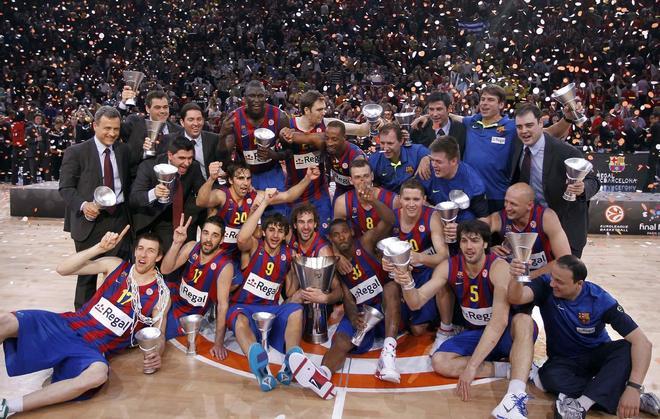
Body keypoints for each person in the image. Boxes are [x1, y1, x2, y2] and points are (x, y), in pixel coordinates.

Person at [0, 228, 170, 417]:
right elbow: (62, 269)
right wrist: (98, 248)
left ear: (159, 257)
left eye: (150, 250)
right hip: (69, 324)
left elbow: (159, 333)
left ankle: (8, 406)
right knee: (6, 320)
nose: (143, 254)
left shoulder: (161, 293)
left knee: (97, 375)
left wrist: (156, 353)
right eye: (140, 248)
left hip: (94, 346)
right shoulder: (115, 265)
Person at [393, 219, 537, 419]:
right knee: (440, 362)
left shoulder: (498, 267)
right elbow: (415, 302)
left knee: (524, 320)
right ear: (459, 243)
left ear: (485, 244)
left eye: (475, 241)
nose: (469, 247)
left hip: (503, 333)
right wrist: (406, 283)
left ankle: (516, 396)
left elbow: (499, 322)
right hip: (476, 333)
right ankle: (512, 368)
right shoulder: (448, 266)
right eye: (465, 241)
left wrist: (471, 367)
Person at [508, 255, 660, 418]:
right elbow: (516, 297)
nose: (553, 284)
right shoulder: (546, 286)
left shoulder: (600, 299)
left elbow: (643, 343)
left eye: (559, 282)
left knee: (627, 348)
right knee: (547, 379)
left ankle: (580, 405)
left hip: (597, 356)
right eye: (553, 277)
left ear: (579, 283)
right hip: (563, 361)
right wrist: (518, 277)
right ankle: (628, 397)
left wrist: (633, 388)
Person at [289, 183, 401, 399]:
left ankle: (388, 356)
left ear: (351, 232)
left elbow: (389, 221)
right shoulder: (336, 266)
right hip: (363, 311)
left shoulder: (365, 243)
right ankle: (321, 375)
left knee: (391, 286)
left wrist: (373, 201)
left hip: (388, 309)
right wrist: (352, 316)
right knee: (340, 340)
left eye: (344, 233)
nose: (341, 238)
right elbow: (347, 295)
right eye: (336, 236)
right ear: (331, 239)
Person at [227, 189, 306, 392]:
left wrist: (297, 269)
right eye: (271, 229)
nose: (275, 234)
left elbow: (289, 292)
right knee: (240, 320)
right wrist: (263, 204)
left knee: (296, 309)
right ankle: (260, 367)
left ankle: (291, 361)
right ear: (263, 231)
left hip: (271, 311)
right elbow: (241, 238)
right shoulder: (254, 246)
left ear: (285, 234)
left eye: (280, 231)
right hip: (244, 307)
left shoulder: (288, 255)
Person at [59, 106, 132, 309]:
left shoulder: (124, 151)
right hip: (88, 222)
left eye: (116, 129)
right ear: (94, 126)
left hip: (119, 220)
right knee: (86, 278)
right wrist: (84, 205)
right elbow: (65, 188)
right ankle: (82, 324)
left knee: (118, 275)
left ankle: (111, 320)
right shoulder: (76, 152)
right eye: (107, 128)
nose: (112, 133)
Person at [510, 104, 600, 257]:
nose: (524, 131)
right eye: (519, 127)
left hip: (566, 228)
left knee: (563, 277)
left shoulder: (565, 151)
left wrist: (582, 188)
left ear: (540, 124)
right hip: (534, 228)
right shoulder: (517, 145)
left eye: (529, 125)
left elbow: (594, 181)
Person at [196, 161, 321, 256]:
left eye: (248, 178)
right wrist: (211, 179)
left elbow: (288, 196)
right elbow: (200, 202)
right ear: (230, 180)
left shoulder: (257, 196)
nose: (245, 183)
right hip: (216, 251)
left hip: (242, 253)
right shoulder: (222, 195)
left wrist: (307, 178)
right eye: (240, 178)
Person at [217, 80, 290, 216]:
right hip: (246, 176)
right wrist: (222, 135)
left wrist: (273, 155)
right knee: (247, 221)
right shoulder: (234, 119)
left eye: (260, 96)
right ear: (244, 98)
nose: (256, 100)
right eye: (252, 96)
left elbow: (290, 152)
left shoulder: (279, 116)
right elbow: (223, 157)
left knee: (278, 218)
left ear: (266, 96)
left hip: (272, 173)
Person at [386, 178, 448, 335]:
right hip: (402, 273)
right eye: (407, 199)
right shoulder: (391, 217)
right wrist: (384, 261)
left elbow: (444, 256)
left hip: (426, 271)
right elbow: (379, 248)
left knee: (418, 329)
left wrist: (420, 257)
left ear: (424, 200)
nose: (411, 204)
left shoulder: (432, 217)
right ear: (399, 199)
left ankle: (441, 322)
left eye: (416, 199)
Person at [160, 215, 234, 342]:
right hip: (173, 297)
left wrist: (218, 342)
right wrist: (176, 243)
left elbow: (222, 305)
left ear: (222, 240)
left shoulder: (225, 266)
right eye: (206, 233)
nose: (208, 239)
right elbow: (165, 270)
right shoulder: (191, 246)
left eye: (215, 235)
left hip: (188, 315)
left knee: (158, 335)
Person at [129, 136, 205, 253]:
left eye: (190, 158)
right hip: (150, 218)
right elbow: (134, 198)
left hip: (177, 219)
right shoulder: (148, 167)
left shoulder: (193, 167)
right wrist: (154, 193)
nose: (187, 163)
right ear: (170, 155)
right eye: (182, 158)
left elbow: (202, 192)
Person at [483, 182, 571, 279]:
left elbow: (565, 259)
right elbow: (470, 233)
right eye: (506, 202)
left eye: (513, 204)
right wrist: (487, 250)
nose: (507, 208)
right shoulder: (498, 218)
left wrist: (528, 276)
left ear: (529, 205)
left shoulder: (546, 217)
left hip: (542, 277)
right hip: (510, 277)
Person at [418, 136, 488, 221]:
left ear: (453, 161)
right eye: (432, 160)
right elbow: (410, 194)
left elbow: (484, 220)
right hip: (433, 222)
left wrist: (461, 228)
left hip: (462, 227)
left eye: (439, 162)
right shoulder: (426, 170)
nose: (434, 165)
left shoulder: (474, 184)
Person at [287, 203, 342, 306]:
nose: (306, 227)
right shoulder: (290, 239)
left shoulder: (323, 251)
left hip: (318, 304)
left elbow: (339, 291)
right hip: (299, 296)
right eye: (301, 222)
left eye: (310, 222)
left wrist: (326, 298)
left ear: (315, 224)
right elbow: (289, 293)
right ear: (294, 225)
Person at [119, 90, 183, 175]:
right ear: (147, 109)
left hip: (171, 180)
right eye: (157, 107)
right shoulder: (134, 125)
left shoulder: (178, 130)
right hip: (140, 181)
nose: (162, 111)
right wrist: (123, 103)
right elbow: (115, 127)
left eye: (165, 107)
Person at [333, 159, 400, 237]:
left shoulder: (392, 199)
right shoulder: (342, 202)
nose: (363, 181)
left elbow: (399, 229)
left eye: (366, 176)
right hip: (359, 245)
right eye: (357, 177)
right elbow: (337, 232)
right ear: (351, 180)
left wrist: (373, 201)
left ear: (372, 176)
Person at [159, 102, 220, 180]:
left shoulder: (214, 139)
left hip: (207, 185)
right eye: (191, 120)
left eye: (199, 119)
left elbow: (223, 165)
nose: (196, 123)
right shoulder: (169, 140)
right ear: (182, 122)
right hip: (180, 186)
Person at [368, 123, 431, 194]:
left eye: (390, 143)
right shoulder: (374, 160)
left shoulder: (416, 151)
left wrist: (427, 158)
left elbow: (435, 154)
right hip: (389, 201)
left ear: (401, 141)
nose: (385, 148)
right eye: (382, 143)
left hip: (413, 198)